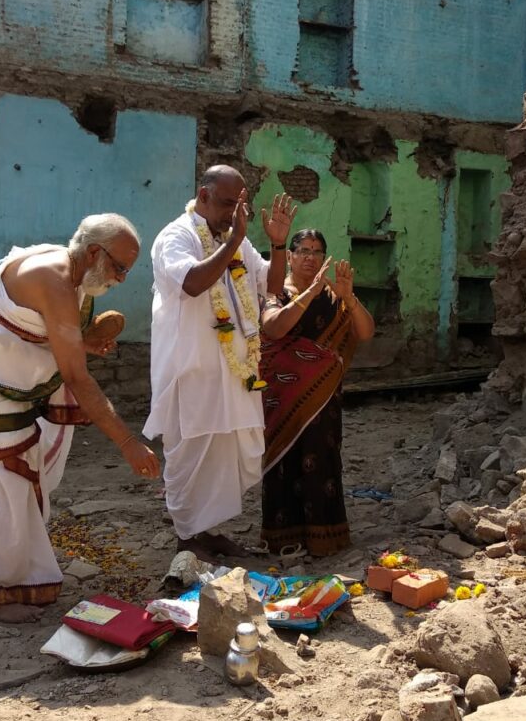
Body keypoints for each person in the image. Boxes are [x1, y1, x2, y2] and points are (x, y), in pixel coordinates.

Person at [0, 214, 160, 622]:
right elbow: (76, 379)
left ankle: (13, 580)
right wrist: (127, 442)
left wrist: (79, 340)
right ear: (92, 252)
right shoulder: (55, 281)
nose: (122, 279)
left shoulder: (71, 271)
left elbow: (37, 328)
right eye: (119, 267)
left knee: (15, 475)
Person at [143, 165, 296, 557]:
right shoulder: (175, 237)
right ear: (204, 194)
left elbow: (273, 286)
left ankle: (208, 532)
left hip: (235, 373)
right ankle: (186, 538)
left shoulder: (234, 238)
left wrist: (278, 245)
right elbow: (192, 283)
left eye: (240, 204)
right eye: (228, 203)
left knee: (226, 455)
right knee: (189, 454)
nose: (234, 212)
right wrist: (236, 240)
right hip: (191, 371)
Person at [259, 228, 375, 556]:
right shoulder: (277, 291)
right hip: (284, 400)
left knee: (321, 460)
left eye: (317, 251)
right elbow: (273, 327)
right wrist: (308, 293)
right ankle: (283, 539)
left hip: (324, 398)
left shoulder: (334, 293)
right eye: (304, 251)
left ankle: (326, 538)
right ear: (291, 256)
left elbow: (365, 332)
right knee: (284, 463)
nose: (311, 257)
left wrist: (349, 298)